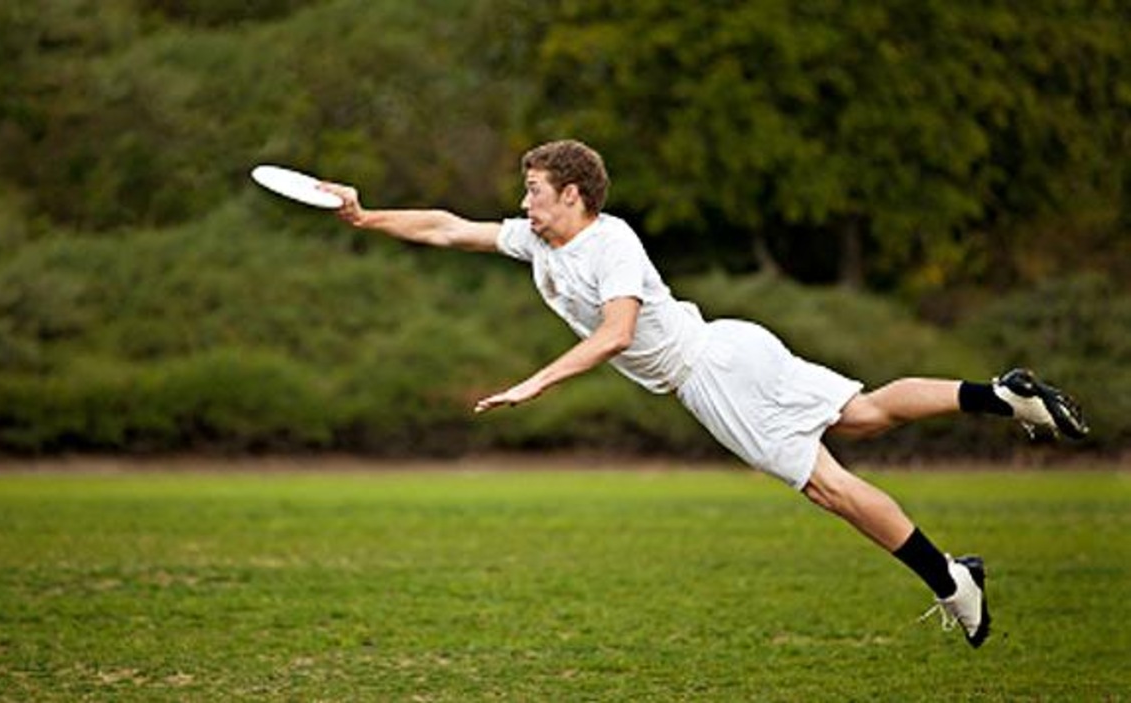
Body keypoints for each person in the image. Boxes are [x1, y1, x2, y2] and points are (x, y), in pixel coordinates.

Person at [319, 139, 1088, 648]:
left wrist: (538, 380)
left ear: (576, 195)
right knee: (862, 415)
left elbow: (618, 331)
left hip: (713, 375)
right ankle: (1001, 395)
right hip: (732, 343)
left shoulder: (610, 242)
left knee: (832, 487)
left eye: (535, 192)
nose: (523, 204)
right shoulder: (538, 241)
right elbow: (448, 228)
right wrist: (365, 214)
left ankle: (954, 581)